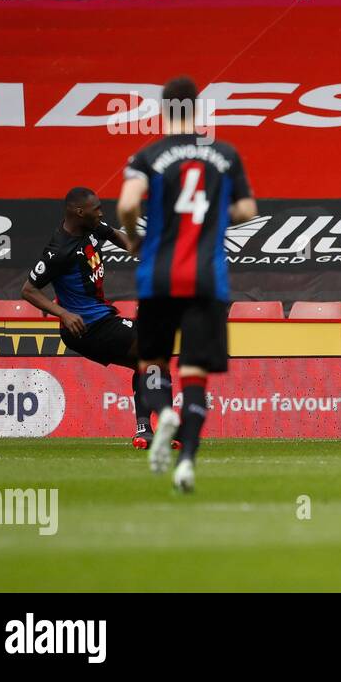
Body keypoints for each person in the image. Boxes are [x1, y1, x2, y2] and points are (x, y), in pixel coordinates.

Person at [117, 76, 257, 493]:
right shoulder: (225, 154)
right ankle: (187, 463)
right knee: (195, 373)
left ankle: (163, 411)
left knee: (152, 361)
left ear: (162, 110)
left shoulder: (148, 155)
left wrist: (136, 237)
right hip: (206, 279)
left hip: (159, 274)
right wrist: (215, 222)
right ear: (198, 110)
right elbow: (248, 210)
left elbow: (126, 204)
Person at [22, 187, 167, 450]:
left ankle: (145, 431)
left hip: (101, 319)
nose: (101, 212)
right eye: (96, 208)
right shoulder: (58, 251)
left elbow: (122, 239)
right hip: (85, 327)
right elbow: (28, 290)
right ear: (79, 212)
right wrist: (64, 314)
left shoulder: (93, 226)